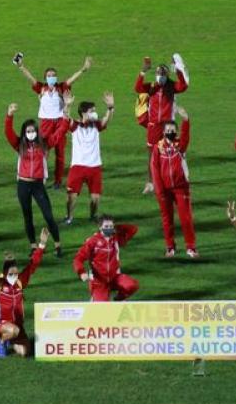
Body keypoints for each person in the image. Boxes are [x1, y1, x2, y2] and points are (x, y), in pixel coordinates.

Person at [16, 56, 92, 190]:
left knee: (60, 153)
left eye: (54, 75)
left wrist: (83, 69)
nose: (52, 77)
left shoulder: (61, 87)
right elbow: (30, 78)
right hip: (45, 123)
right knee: (42, 151)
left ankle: (58, 181)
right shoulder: (41, 88)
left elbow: (73, 78)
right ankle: (40, 176)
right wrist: (21, 66)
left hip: (60, 123)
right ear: (45, 78)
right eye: (49, 75)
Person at [6, 103, 63, 252]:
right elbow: (8, 133)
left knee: (48, 215)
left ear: (37, 132)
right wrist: (9, 115)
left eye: (33, 130)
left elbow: (59, 133)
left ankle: (57, 244)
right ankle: (33, 246)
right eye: (28, 131)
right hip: (23, 185)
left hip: (38, 185)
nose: (31, 133)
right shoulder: (19, 145)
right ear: (24, 133)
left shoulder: (44, 144)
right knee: (28, 216)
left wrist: (66, 113)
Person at [0, 231, 47, 358]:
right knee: (14, 331)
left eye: (15, 274)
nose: (14, 277)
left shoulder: (20, 282)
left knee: (24, 352)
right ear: (5, 274)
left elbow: (32, 266)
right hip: (2, 325)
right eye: (11, 274)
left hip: (18, 325)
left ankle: (11, 339)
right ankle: (1, 341)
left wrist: (42, 244)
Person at [135, 54, 188, 194]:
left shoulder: (171, 86)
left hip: (167, 126)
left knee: (170, 152)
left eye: (163, 74)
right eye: (158, 73)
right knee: (152, 156)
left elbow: (183, 86)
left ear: (167, 75)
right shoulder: (152, 86)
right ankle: (150, 183)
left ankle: (171, 180)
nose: (160, 76)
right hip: (153, 127)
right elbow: (138, 88)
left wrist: (178, 70)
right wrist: (143, 71)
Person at [150, 107, 198, 258]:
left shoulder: (179, 146)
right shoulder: (158, 147)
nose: (170, 132)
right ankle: (170, 247)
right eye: (168, 130)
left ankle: (191, 247)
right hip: (164, 190)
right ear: (163, 132)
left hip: (181, 188)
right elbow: (155, 168)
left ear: (176, 132)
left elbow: (186, 138)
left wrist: (185, 121)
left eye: (173, 130)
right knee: (167, 220)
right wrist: (159, 190)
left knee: (186, 218)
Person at [64, 92, 115, 231]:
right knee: (71, 197)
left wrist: (110, 108)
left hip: (94, 167)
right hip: (78, 167)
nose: (95, 113)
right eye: (92, 111)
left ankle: (92, 216)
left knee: (95, 199)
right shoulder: (75, 126)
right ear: (84, 113)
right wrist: (67, 106)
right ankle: (69, 217)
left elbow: (106, 120)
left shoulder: (96, 125)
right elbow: (65, 118)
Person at [74, 215, 139, 302]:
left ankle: (119, 299)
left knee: (132, 286)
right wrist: (81, 272)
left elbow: (133, 229)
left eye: (111, 226)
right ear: (100, 227)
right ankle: (95, 298)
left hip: (115, 277)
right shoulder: (92, 241)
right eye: (106, 226)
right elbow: (78, 259)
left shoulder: (116, 238)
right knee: (102, 307)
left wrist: (117, 227)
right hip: (99, 282)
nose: (109, 229)